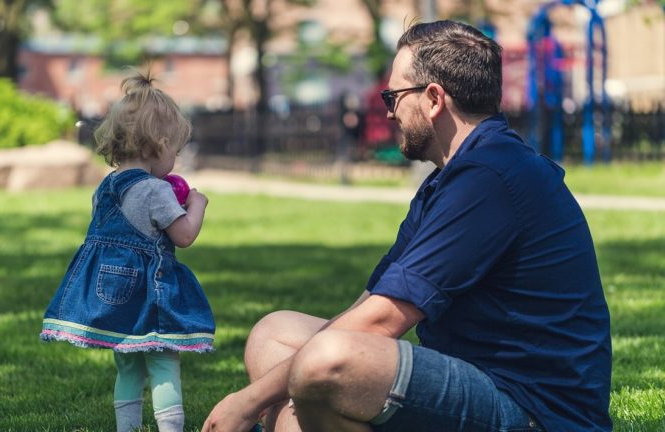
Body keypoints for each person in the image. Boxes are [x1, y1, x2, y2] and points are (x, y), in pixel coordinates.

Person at [202, 20, 612, 432]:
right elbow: (370, 305)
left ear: (433, 98)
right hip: (477, 378)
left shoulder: (491, 176)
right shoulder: (452, 177)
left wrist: (249, 402)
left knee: (327, 360)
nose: (388, 110)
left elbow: (383, 322)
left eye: (393, 95)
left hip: (533, 410)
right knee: (273, 334)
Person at [40, 71, 214, 432]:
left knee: (129, 364)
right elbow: (183, 236)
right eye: (175, 152)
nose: (175, 162)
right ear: (157, 145)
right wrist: (197, 203)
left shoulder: (106, 186)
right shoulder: (155, 190)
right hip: (149, 295)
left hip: (114, 295)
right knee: (164, 361)